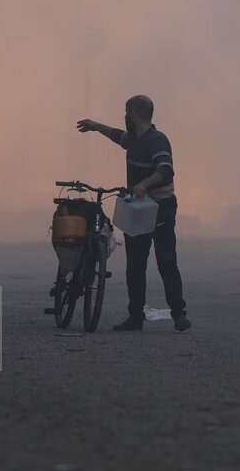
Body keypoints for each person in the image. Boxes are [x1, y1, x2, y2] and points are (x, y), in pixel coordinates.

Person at [77, 95, 191, 332]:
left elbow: (165, 171)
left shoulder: (157, 140)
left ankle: (179, 314)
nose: (124, 116)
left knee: (166, 261)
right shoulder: (134, 139)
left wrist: (144, 185)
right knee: (135, 265)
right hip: (138, 211)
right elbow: (118, 136)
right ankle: (135, 317)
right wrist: (96, 126)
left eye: (126, 112)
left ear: (136, 114)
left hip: (160, 208)